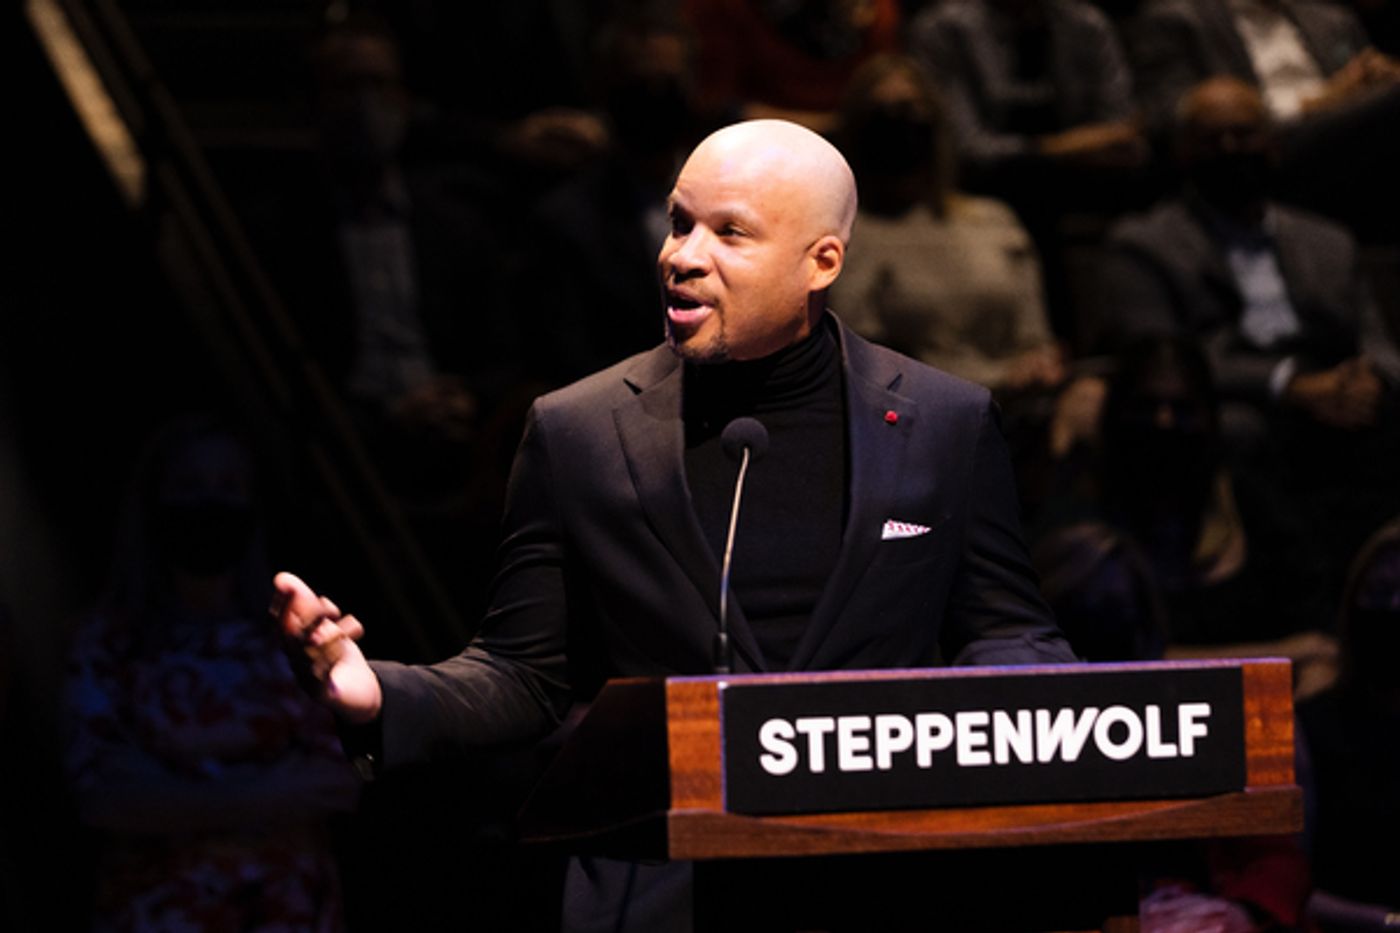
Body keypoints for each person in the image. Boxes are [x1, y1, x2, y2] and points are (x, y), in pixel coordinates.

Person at [273, 119, 1076, 931]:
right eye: (679, 221)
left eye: (730, 232)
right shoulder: (578, 430)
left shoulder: (946, 420)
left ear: (821, 262)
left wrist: (1053, 716)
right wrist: (378, 692)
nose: (682, 255)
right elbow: (526, 673)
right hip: (663, 889)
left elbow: (1009, 632)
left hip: (884, 881)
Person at [65, 414, 361, 932]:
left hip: (289, 911)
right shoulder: (108, 640)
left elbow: (339, 781)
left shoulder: (298, 634)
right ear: (154, 500)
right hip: (158, 913)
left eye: (229, 486)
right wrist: (271, 796)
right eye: (189, 486)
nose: (210, 503)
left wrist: (175, 797)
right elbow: (102, 797)